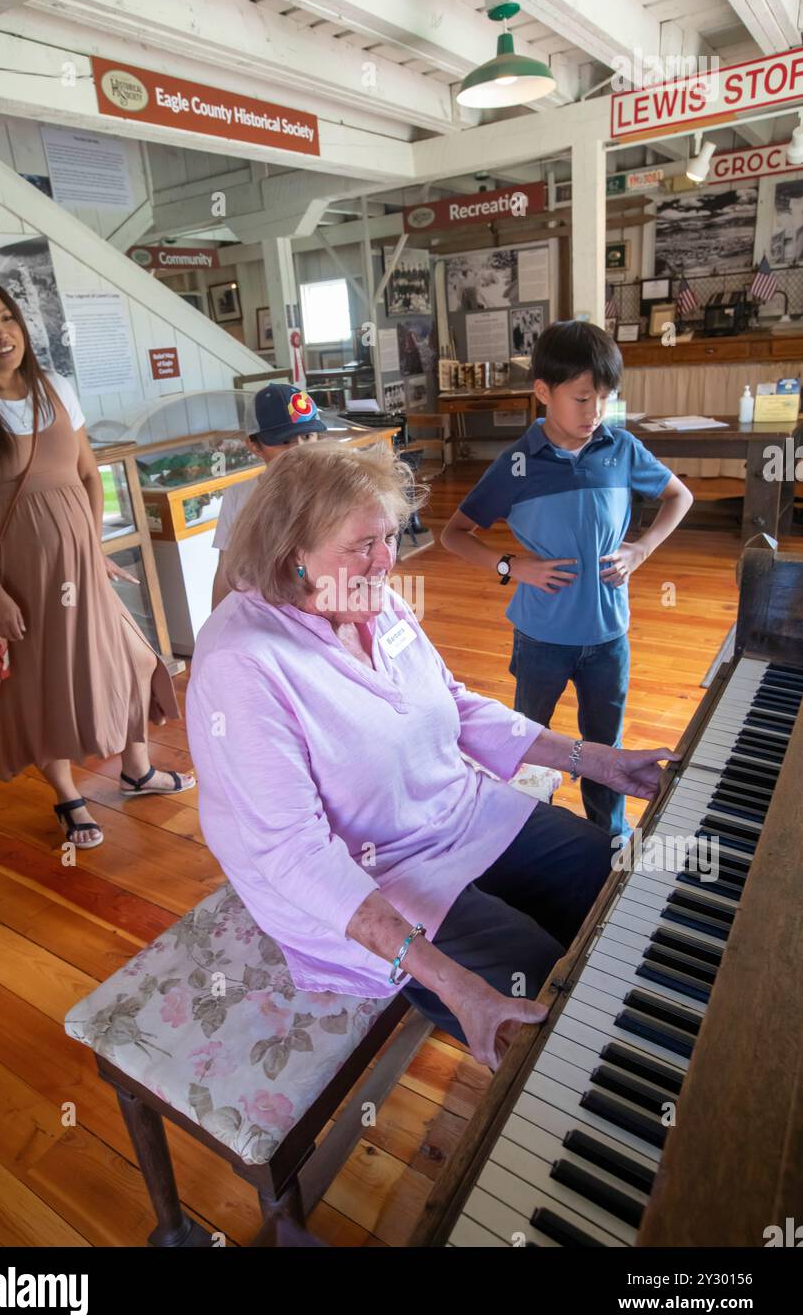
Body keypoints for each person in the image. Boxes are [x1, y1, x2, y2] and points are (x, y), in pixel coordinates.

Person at [186, 441, 677, 1070]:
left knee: (626, 886)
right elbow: (291, 855)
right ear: (295, 555)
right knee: (545, 989)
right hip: (372, 877)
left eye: (389, 536)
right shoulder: (242, 662)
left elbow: (454, 703)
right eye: (363, 544)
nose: (386, 560)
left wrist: (592, 759)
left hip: (461, 812)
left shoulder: (371, 598)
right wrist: (448, 981)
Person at [0, 275, 194, 849]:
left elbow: (85, 474)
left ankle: (138, 769)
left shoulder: (53, 386)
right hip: (13, 574)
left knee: (129, 659)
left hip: (79, 567)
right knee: (36, 682)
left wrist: (92, 548)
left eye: (6, 317)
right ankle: (67, 796)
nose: (2, 334)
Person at [441, 319, 693, 840]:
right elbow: (455, 534)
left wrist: (642, 547)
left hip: (608, 640)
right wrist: (513, 566)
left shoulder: (620, 449)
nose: (594, 412)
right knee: (529, 743)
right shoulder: (516, 463)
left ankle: (609, 839)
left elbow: (679, 496)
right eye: (581, 398)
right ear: (542, 393)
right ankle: (535, 835)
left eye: (603, 398)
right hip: (541, 641)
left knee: (606, 743)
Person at [211, 384, 325, 610]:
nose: (299, 449)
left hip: (321, 607)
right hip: (262, 613)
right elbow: (226, 568)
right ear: (254, 445)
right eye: (284, 442)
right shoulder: (238, 495)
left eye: (307, 436)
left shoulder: (331, 489)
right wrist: (215, 625)